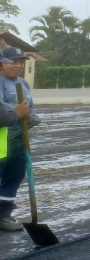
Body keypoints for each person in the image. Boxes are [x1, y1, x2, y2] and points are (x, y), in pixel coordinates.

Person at [0, 47, 40, 232]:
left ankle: (3, 216)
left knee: (13, 179)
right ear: (2, 64)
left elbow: (31, 110)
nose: (17, 66)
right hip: (2, 143)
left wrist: (31, 118)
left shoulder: (23, 83)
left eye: (20, 62)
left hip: (19, 140)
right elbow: (4, 113)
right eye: (13, 62)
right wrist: (17, 112)